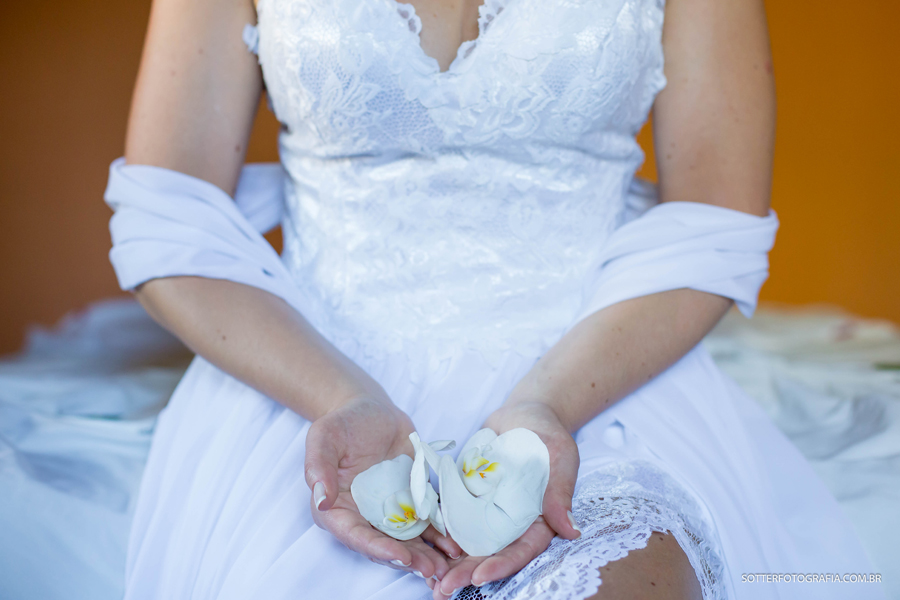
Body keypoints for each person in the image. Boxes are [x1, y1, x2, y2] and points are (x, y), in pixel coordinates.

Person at [110, 0, 882, 598]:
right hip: (310, 384)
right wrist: (339, 398)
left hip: (601, 379)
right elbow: (169, 225)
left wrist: (548, 406)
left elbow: (714, 221)